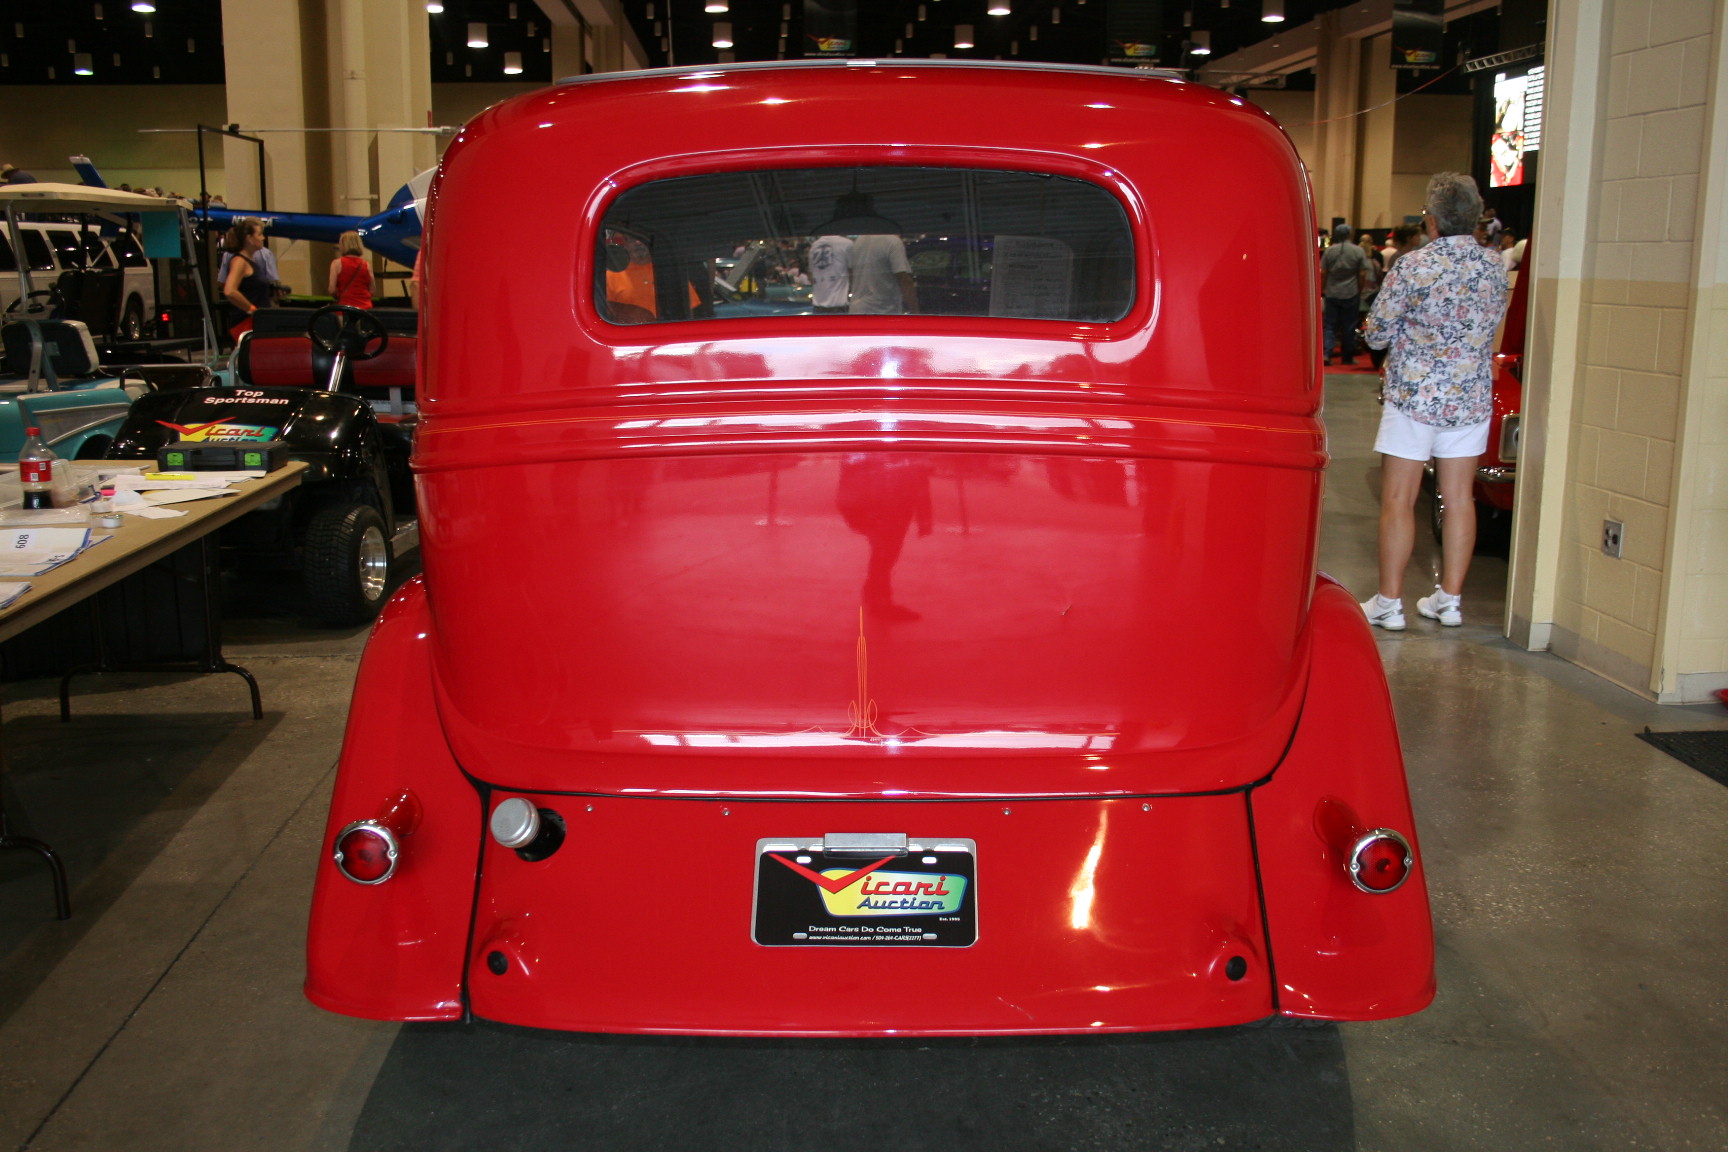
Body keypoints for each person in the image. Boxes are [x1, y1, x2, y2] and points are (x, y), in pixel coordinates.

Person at [1359, 172, 1510, 631]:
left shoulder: (1413, 266)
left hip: (1413, 397)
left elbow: (1379, 332)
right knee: (1459, 498)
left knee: (1399, 499)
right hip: (1469, 396)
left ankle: (1389, 603)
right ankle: (1450, 601)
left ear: (1431, 221)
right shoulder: (1493, 266)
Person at [1319, 224, 1369, 365]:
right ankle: (1347, 356)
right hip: (1351, 292)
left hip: (1332, 292)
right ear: (1349, 235)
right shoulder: (1358, 251)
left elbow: (1323, 272)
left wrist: (1323, 289)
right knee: (1349, 325)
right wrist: (1359, 289)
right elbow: (1362, 273)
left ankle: (1327, 354)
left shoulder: (1330, 251)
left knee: (1329, 325)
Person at [220, 219, 273, 338]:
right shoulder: (239, 261)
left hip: (258, 322)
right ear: (249, 238)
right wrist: (251, 309)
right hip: (247, 323)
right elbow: (230, 291)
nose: (263, 238)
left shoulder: (251, 261)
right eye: (259, 234)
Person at [848, 233, 916, 315]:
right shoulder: (893, 242)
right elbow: (904, 279)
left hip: (857, 310)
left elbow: (851, 274)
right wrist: (916, 310)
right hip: (883, 311)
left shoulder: (859, 241)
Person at [807, 233, 853, 312]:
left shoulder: (815, 245)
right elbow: (853, 272)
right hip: (839, 306)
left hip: (818, 306)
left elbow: (810, 275)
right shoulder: (847, 244)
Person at [327, 230, 373, 308]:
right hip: (365, 309)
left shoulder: (336, 264)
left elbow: (331, 290)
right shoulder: (367, 265)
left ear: (343, 245)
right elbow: (373, 291)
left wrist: (339, 294)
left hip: (345, 308)